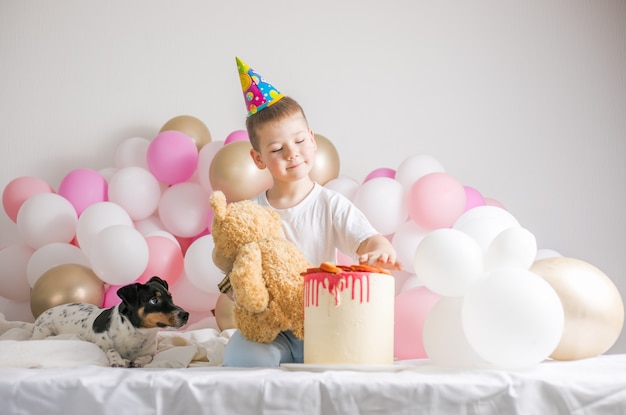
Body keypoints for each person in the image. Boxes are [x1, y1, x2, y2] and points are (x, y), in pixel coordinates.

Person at [221, 58, 401, 367]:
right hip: (274, 328)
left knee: (350, 357)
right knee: (241, 356)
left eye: (300, 140)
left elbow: (369, 240)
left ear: (312, 140)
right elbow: (236, 269)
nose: (292, 153)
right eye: (277, 149)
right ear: (259, 158)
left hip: (324, 324)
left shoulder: (330, 204)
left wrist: (379, 251)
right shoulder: (250, 212)